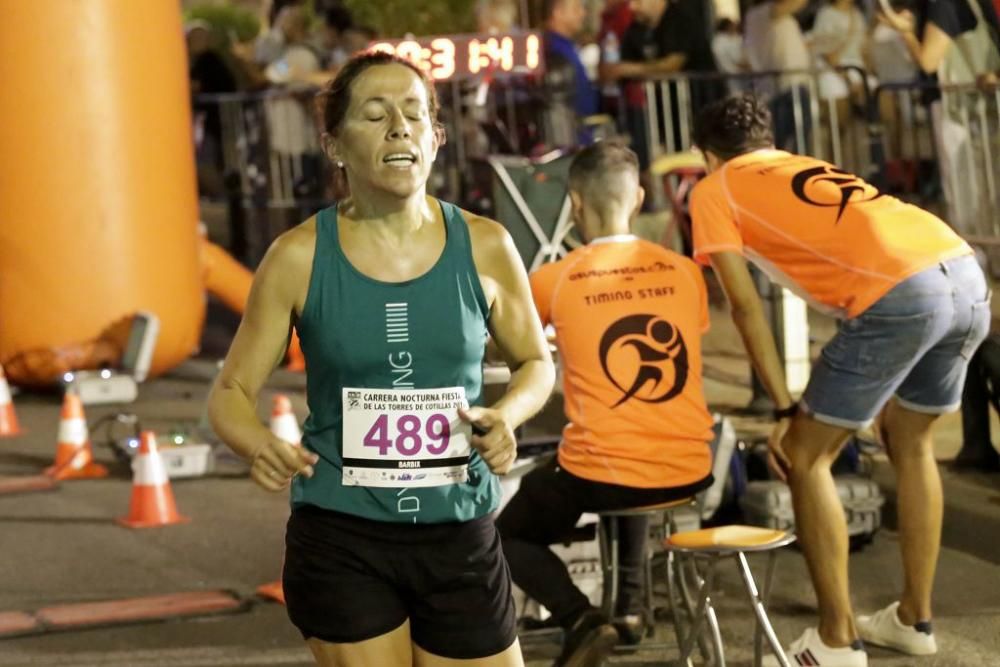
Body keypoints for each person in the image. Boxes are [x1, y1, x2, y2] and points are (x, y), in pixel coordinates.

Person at [208, 52, 555, 667]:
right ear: (335, 145)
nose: (400, 127)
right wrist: (257, 442)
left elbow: (535, 363)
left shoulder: (486, 245)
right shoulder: (298, 256)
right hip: (344, 535)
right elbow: (230, 390)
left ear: (436, 139)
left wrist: (508, 416)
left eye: (415, 113)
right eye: (375, 115)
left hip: (459, 527)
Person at [689, 93, 990, 667]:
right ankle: (913, 620)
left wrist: (783, 411)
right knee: (911, 438)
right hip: (962, 269)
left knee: (805, 456)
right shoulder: (801, 165)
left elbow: (746, 307)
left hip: (902, 293)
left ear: (707, 154)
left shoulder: (714, 187)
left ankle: (835, 641)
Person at [497, 141, 714, 666]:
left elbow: (505, 344)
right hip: (691, 470)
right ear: (638, 198)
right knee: (632, 456)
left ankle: (580, 618)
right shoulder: (686, 273)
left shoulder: (556, 277)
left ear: (574, 204)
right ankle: (631, 611)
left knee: (503, 537)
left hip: (605, 470)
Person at [882, 0, 1000, 236]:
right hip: (984, 108)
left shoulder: (944, 4)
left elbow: (929, 60)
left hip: (957, 110)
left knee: (963, 194)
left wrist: (905, 32)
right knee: (988, 189)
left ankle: (977, 259)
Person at [744, 0, 813, 151]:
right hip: (784, 87)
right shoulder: (761, 13)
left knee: (790, 139)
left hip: (784, 85)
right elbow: (792, 5)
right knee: (792, 141)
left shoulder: (760, 15)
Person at [543, 0, 598, 145]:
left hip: (580, 135)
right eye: (576, 8)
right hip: (569, 140)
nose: (583, 13)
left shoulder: (566, 46)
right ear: (558, 13)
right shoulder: (553, 49)